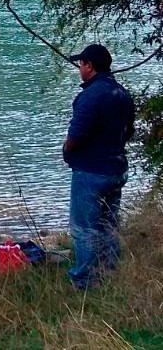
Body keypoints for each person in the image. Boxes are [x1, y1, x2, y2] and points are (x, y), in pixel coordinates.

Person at [63, 44, 135, 290]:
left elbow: (77, 133)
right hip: (115, 168)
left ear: (90, 67)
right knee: (108, 224)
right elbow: (129, 131)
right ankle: (108, 273)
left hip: (91, 171)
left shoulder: (90, 95)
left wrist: (66, 150)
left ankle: (83, 280)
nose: (80, 69)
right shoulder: (122, 93)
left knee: (83, 228)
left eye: (81, 64)